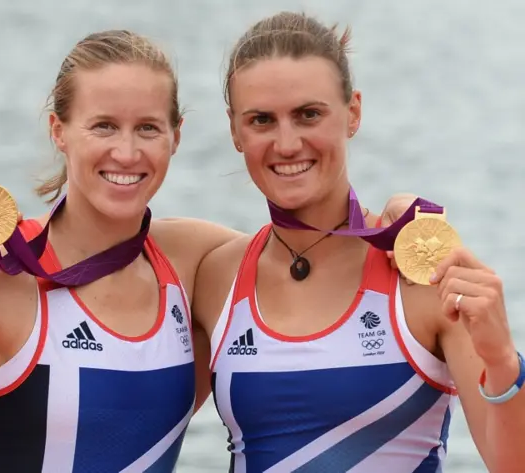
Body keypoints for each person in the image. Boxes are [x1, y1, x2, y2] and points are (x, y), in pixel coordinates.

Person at [0, 29, 429, 473]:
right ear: (59, 130)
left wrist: (402, 216)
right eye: (103, 126)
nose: (127, 151)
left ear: (176, 136)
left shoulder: (191, 261)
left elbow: (314, 253)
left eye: (147, 127)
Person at [194, 11, 525, 473]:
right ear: (234, 130)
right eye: (261, 120)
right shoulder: (213, 275)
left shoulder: (424, 274)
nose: (287, 143)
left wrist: (502, 358)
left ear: (353, 112)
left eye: (309, 114)